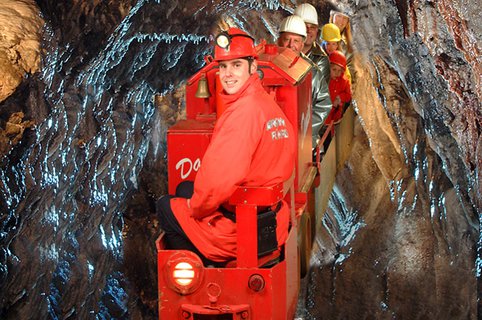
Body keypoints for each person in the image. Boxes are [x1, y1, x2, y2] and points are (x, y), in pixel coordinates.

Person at [156, 27, 296, 266]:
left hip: (241, 231)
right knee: (185, 188)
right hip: (272, 220)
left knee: (166, 206)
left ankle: (206, 269)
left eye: (236, 65)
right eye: (223, 66)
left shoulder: (242, 114)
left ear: (253, 67)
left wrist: (193, 208)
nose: (228, 74)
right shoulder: (266, 105)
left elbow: (217, 182)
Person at [277, 15, 331, 147]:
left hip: (301, 141)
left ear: (302, 44)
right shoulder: (269, 65)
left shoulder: (312, 71)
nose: (291, 45)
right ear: (278, 40)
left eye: (296, 41)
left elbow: (324, 103)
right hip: (274, 135)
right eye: (287, 39)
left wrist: (305, 131)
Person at [294, 3, 328, 73]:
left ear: (316, 30)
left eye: (312, 27)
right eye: (304, 26)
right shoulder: (281, 51)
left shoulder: (322, 59)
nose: (309, 30)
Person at [326, 50, 351, 124]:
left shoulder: (344, 81)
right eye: (334, 70)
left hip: (335, 116)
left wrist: (340, 97)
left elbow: (349, 95)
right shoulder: (324, 78)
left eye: (339, 71)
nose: (337, 73)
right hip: (324, 114)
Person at [329, 10, 355, 81]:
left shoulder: (347, 48)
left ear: (347, 23)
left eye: (345, 18)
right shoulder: (318, 37)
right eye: (339, 16)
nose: (341, 21)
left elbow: (352, 73)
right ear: (332, 16)